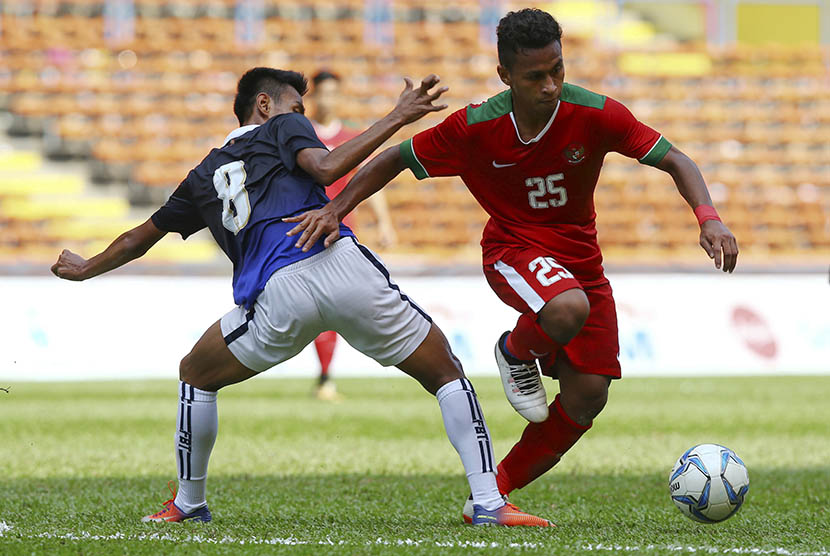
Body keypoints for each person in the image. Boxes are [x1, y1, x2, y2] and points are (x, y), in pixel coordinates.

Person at [284, 8, 740, 524]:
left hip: (582, 264)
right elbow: (394, 159)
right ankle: (514, 351)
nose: (550, 86)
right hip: (511, 251)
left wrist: (709, 218)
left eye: (558, 70)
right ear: (505, 76)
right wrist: (334, 209)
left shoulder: (594, 112)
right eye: (535, 77)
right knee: (567, 307)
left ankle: (493, 491)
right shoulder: (476, 126)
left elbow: (676, 158)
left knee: (588, 397)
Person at [51, 67, 551, 527]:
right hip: (339, 265)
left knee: (195, 374)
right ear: (264, 105)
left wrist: (86, 267)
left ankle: (188, 502)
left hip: (277, 296)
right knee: (445, 370)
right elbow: (328, 168)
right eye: (296, 107)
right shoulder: (281, 128)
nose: (302, 117)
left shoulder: (203, 176)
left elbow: (142, 235)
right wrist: (399, 115)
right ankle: (487, 500)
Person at [306, 69, 399, 401]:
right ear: (312, 97)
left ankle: (325, 376)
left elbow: (369, 181)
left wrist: (384, 223)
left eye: (333, 93)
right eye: (322, 93)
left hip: (343, 235)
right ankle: (322, 376)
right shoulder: (301, 135)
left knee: (331, 306)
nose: (328, 99)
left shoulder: (351, 137)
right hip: (304, 233)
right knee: (316, 306)